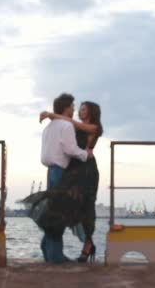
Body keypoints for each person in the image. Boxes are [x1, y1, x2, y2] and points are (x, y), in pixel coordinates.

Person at [39, 101, 102, 263]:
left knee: (86, 207)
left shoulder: (95, 128)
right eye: (79, 109)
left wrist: (51, 115)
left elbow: (70, 122)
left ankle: (87, 246)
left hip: (87, 170)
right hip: (72, 169)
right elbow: (66, 131)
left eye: (83, 109)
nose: (79, 111)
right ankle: (51, 244)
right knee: (65, 206)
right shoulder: (73, 127)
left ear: (91, 112)